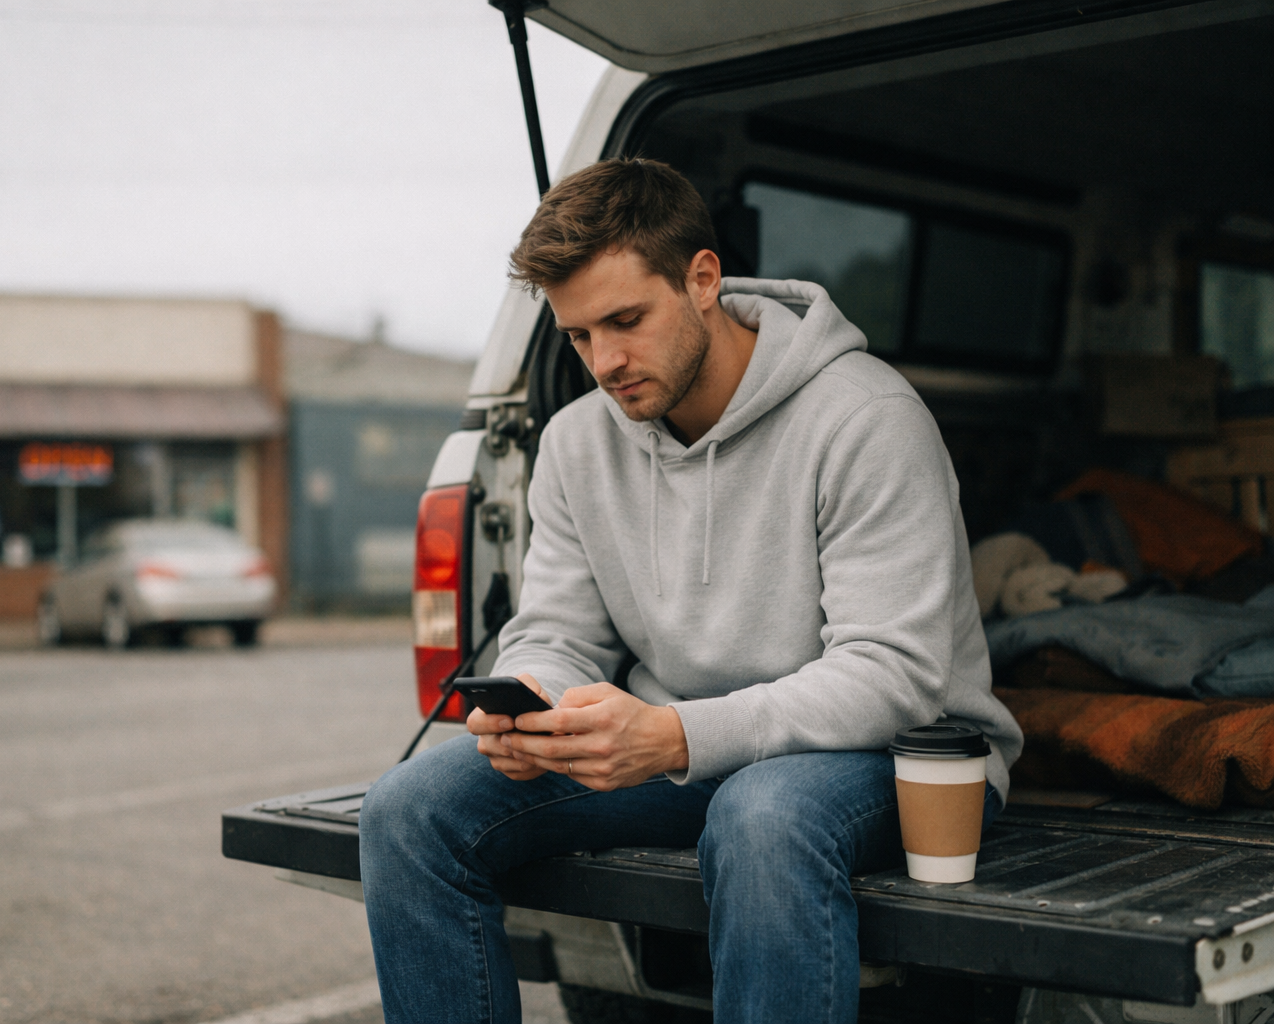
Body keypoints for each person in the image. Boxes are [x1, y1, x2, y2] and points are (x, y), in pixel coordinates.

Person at [358, 158, 1023, 1023]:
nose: (605, 361)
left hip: (894, 755)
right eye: (578, 336)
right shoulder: (576, 443)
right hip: (673, 749)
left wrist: (674, 735)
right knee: (407, 809)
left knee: (763, 815)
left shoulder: (866, 419)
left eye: (626, 320)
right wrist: (535, 706)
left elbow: (894, 674)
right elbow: (558, 630)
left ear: (703, 279)